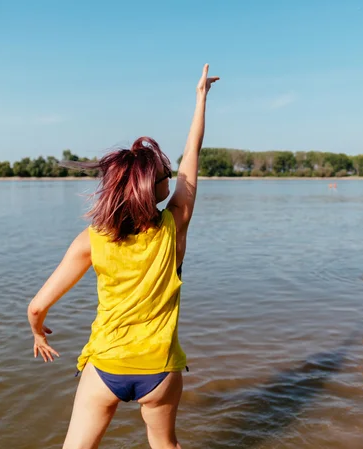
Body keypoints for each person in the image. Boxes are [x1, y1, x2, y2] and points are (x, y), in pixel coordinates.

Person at [27, 63, 219, 449]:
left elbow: (36, 307)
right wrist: (200, 99)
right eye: (165, 173)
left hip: (105, 368)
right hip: (160, 370)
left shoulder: (92, 240)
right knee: (167, 446)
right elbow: (192, 152)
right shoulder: (174, 225)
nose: (172, 175)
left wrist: (37, 330)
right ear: (152, 188)